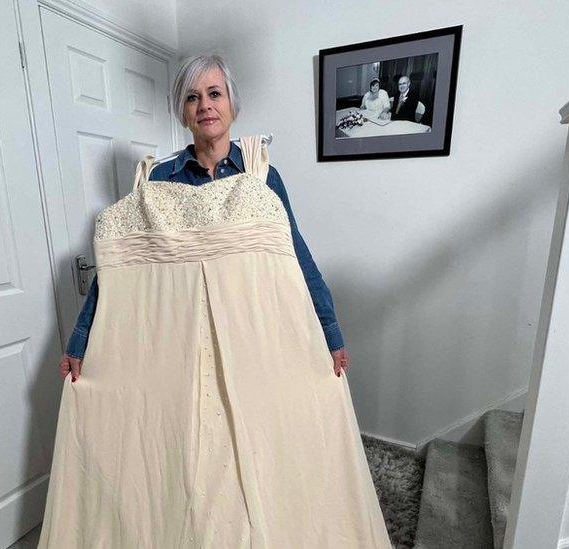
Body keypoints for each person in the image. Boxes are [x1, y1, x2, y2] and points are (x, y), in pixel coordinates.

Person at [37, 53, 392, 548]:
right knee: (187, 456)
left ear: (232, 105)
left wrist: (329, 332)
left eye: (214, 93)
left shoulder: (264, 174)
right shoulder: (158, 178)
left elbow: (295, 254)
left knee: (261, 443)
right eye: (192, 96)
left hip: (252, 332)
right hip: (177, 339)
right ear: (181, 110)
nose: (204, 105)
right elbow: (120, 267)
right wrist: (81, 340)